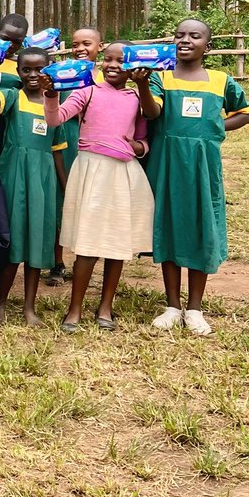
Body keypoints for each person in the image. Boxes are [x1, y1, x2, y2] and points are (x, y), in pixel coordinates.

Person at [138, 18, 249, 336]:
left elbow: (244, 112)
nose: (185, 40)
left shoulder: (220, 80)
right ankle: (173, 305)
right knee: (171, 226)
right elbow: (152, 113)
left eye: (194, 35)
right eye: (179, 35)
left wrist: (214, 129)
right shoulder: (161, 78)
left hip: (203, 166)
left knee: (202, 225)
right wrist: (144, 85)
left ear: (208, 45)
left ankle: (195, 308)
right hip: (168, 163)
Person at [41, 42, 151, 332]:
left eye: (120, 61)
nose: (113, 65)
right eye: (108, 60)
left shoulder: (136, 98)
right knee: (88, 243)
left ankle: (105, 307)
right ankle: (74, 309)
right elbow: (54, 119)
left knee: (117, 242)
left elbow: (143, 137)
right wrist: (51, 94)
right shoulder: (87, 91)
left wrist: (137, 146)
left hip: (124, 172)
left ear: (132, 66)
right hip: (92, 169)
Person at [0, 47, 68, 326]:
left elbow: (58, 151)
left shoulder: (55, 106)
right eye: (27, 69)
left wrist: (65, 186)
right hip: (13, 177)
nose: (33, 75)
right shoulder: (13, 97)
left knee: (36, 241)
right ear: (18, 72)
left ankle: (29, 308)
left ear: (48, 70)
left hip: (43, 181)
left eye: (39, 69)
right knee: (11, 240)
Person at [48, 26, 107, 286]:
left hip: (93, 144)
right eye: (75, 44)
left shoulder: (107, 76)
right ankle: (56, 262)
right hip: (62, 142)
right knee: (60, 199)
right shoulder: (63, 71)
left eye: (87, 43)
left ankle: (86, 260)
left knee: (91, 201)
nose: (80, 49)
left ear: (100, 46)